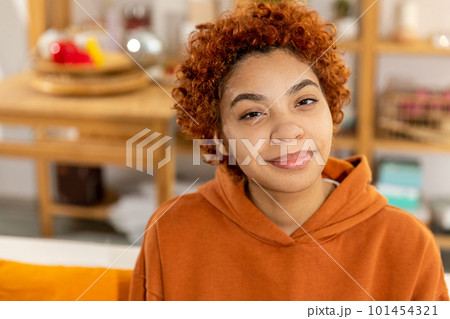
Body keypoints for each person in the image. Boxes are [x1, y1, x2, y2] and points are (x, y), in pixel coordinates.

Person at [128, 0, 449, 301]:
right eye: (253, 113)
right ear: (219, 136)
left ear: (332, 107)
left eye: (305, 101)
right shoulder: (172, 232)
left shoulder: (408, 245)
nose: (287, 130)